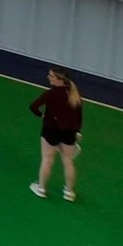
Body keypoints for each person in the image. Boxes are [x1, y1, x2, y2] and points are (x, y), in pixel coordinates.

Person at [30, 66, 84, 201]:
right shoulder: (75, 96)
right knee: (68, 161)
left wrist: (42, 115)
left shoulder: (50, 94)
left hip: (51, 131)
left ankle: (41, 188)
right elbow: (78, 117)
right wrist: (77, 132)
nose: (48, 77)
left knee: (47, 159)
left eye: (51, 76)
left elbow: (33, 106)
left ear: (60, 80)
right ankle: (69, 192)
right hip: (69, 133)